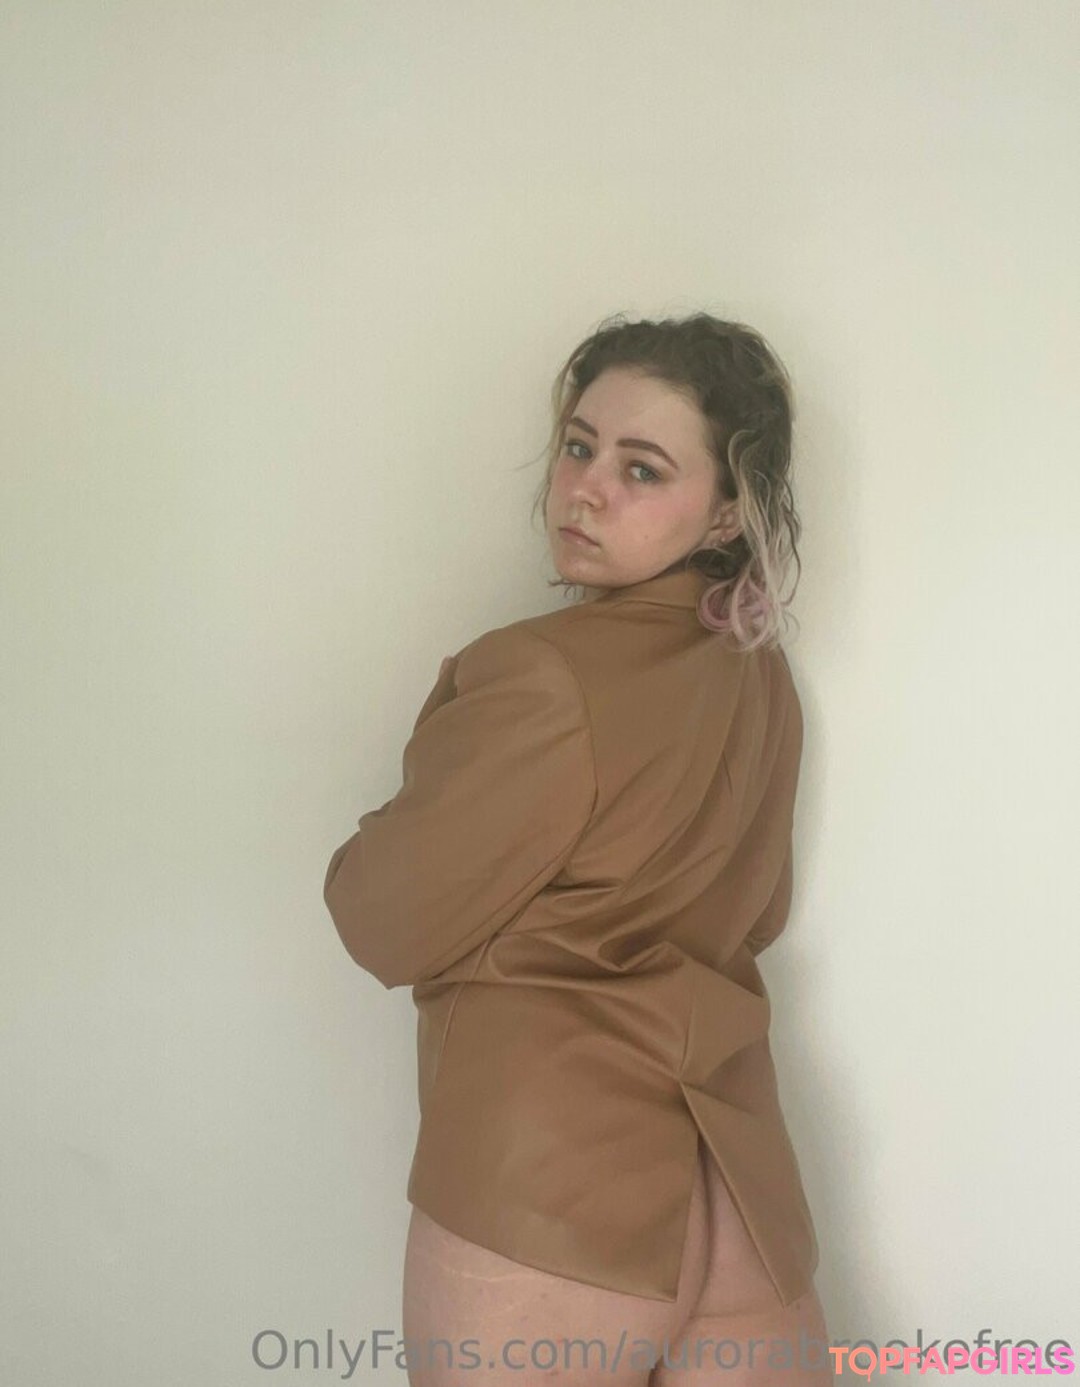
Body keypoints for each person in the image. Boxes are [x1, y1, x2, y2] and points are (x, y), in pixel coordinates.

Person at [322, 312, 832, 1387]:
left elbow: (380, 919)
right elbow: (757, 913)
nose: (585, 489)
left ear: (726, 509)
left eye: (641, 468)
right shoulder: (761, 679)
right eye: (579, 446)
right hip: (738, 1196)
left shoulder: (536, 674)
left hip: (552, 1199)